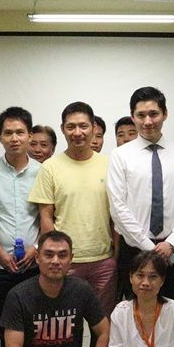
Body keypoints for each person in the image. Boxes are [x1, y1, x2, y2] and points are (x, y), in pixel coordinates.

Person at [108, 87, 174, 302]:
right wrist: (149, 247)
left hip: (172, 249)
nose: (148, 121)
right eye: (141, 115)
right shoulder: (120, 156)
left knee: (171, 310)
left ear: (165, 114)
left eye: (154, 114)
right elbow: (118, 207)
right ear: (133, 117)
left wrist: (172, 243)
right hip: (135, 250)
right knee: (135, 313)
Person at [30, 101, 116, 319]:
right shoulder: (50, 167)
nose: (77, 132)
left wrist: (116, 256)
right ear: (62, 129)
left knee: (103, 323)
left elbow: (116, 216)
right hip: (66, 262)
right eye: (71, 127)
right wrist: (55, 256)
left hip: (103, 261)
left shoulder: (110, 165)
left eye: (83, 126)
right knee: (65, 324)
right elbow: (46, 217)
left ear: (94, 127)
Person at [0, 106, 42, 309]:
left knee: (31, 318)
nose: (14, 138)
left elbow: (47, 216)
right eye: (8, 133)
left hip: (33, 263)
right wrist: (0, 254)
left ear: (30, 136)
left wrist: (36, 249)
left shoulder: (42, 171)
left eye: (20, 132)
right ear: (0, 137)